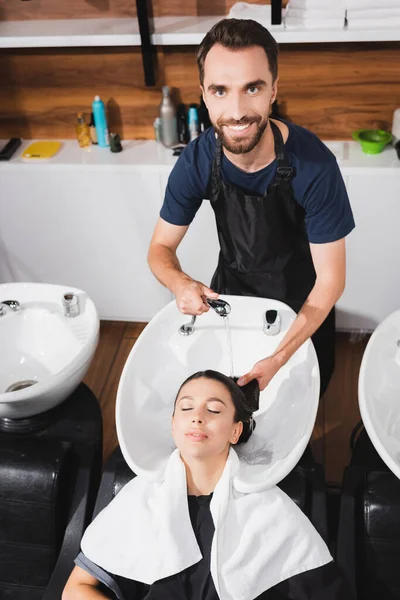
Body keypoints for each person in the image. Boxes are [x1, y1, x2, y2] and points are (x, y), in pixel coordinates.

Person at [147, 19, 355, 396]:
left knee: (300, 401)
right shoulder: (196, 160)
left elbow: (331, 281)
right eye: (221, 91)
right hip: (234, 302)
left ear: (273, 89)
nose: (238, 110)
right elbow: (160, 249)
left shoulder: (315, 165)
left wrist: (280, 356)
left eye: (252, 88)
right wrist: (180, 283)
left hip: (304, 309)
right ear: (205, 96)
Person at [63, 371, 353, 600]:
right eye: (186, 407)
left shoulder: (268, 511)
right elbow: (75, 589)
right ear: (173, 424)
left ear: (236, 430)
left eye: (214, 410)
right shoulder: (140, 499)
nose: (197, 416)